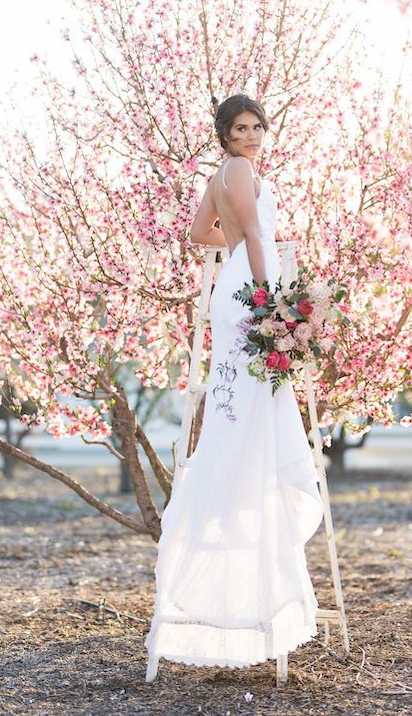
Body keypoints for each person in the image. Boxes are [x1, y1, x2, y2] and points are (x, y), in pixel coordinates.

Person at [144, 93, 323, 679]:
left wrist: (251, 257)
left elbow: (202, 233)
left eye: (256, 127)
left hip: (233, 293)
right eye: (239, 128)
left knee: (240, 415)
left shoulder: (222, 173)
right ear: (224, 134)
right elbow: (246, 231)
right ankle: (245, 514)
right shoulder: (241, 171)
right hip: (250, 299)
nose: (249, 136)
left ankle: (235, 514)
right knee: (249, 415)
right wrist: (273, 300)